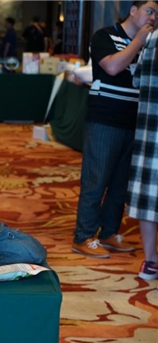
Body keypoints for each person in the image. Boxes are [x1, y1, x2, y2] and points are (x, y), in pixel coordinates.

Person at [71, 1, 156, 258]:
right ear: (133, 10)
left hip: (135, 122)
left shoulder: (150, 43)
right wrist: (138, 41)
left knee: (121, 183)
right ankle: (83, 236)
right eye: (150, 11)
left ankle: (109, 232)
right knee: (96, 180)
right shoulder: (105, 36)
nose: (153, 17)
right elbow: (112, 67)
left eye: (157, 14)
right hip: (104, 119)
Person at [128, 28, 158, 280]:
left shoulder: (150, 39)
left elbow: (137, 80)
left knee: (148, 195)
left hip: (150, 130)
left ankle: (150, 261)